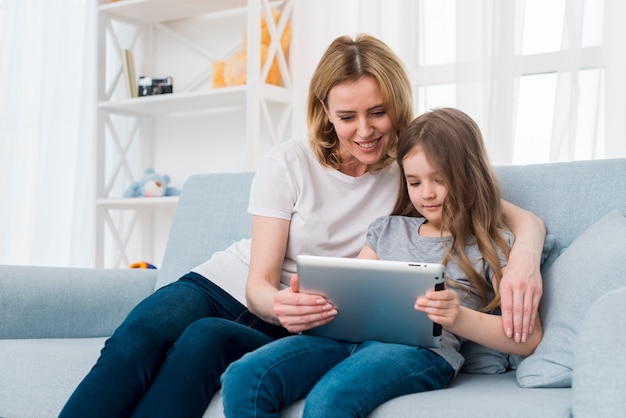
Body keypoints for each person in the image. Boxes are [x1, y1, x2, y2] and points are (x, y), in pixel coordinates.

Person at [60, 35, 543, 418]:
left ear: (397, 105)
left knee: (204, 341)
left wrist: (524, 251)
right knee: (138, 337)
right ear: (326, 114)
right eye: (347, 116)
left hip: (316, 312)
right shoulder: (290, 160)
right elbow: (259, 284)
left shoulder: (413, 165)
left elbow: (484, 203)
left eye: (378, 112)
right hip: (251, 289)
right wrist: (280, 306)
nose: (365, 130)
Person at [220, 107, 544, 417]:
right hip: (344, 340)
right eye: (415, 182)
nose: (427, 194)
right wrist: (315, 301)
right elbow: (355, 288)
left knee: (332, 397)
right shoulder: (386, 229)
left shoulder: (492, 246)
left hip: (421, 352)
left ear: (469, 176)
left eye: (440, 179)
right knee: (244, 378)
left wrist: (458, 318)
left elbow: (529, 340)